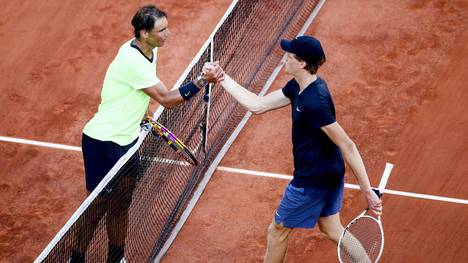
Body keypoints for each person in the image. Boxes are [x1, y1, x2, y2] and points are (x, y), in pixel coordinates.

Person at [206, 35, 382, 263]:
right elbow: (258, 106)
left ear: (301, 63)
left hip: (312, 179)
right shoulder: (298, 86)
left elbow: (348, 145)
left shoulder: (315, 101)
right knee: (331, 228)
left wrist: (367, 191)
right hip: (329, 172)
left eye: (288, 57)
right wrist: (221, 77)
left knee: (277, 230)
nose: (283, 60)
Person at [69, 5, 223, 263]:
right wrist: (201, 81)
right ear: (143, 33)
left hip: (128, 141)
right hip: (104, 142)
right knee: (96, 208)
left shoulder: (149, 49)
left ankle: (116, 258)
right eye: (161, 30)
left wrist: (139, 115)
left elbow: (136, 92)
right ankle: (74, 259)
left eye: (167, 27)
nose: (168, 34)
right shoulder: (132, 60)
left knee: (121, 203)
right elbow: (166, 99)